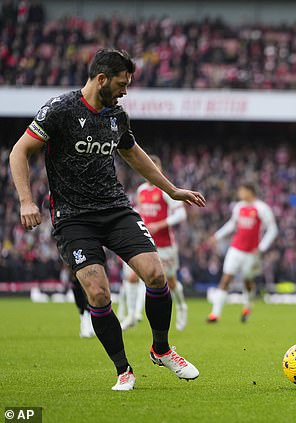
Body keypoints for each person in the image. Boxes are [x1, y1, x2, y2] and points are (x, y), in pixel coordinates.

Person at [9, 48, 205, 390]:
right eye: (121, 83)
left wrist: (172, 190)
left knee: (156, 275)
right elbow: (19, 150)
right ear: (101, 79)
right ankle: (123, 370)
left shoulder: (117, 115)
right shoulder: (61, 110)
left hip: (115, 209)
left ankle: (161, 349)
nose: (125, 90)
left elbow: (132, 153)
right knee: (98, 294)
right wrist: (26, 200)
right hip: (73, 218)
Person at [120, 154, 189, 331]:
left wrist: (161, 224)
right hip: (146, 242)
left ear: (159, 170)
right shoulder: (142, 190)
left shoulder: (166, 190)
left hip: (165, 244)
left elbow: (181, 214)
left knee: (171, 281)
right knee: (132, 276)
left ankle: (182, 307)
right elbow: (140, 209)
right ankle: (132, 315)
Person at [207, 183, 277, 323]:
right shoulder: (239, 207)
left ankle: (247, 306)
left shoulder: (261, 208)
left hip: (251, 253)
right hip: (235, 248)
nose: (240, 193)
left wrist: (262, 247)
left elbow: (273, 229)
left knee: (247, 281)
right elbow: (232, 224)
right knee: (226, 278)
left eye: (242, 190)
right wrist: (217, 236)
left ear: (250, 191)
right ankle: (215, 314)